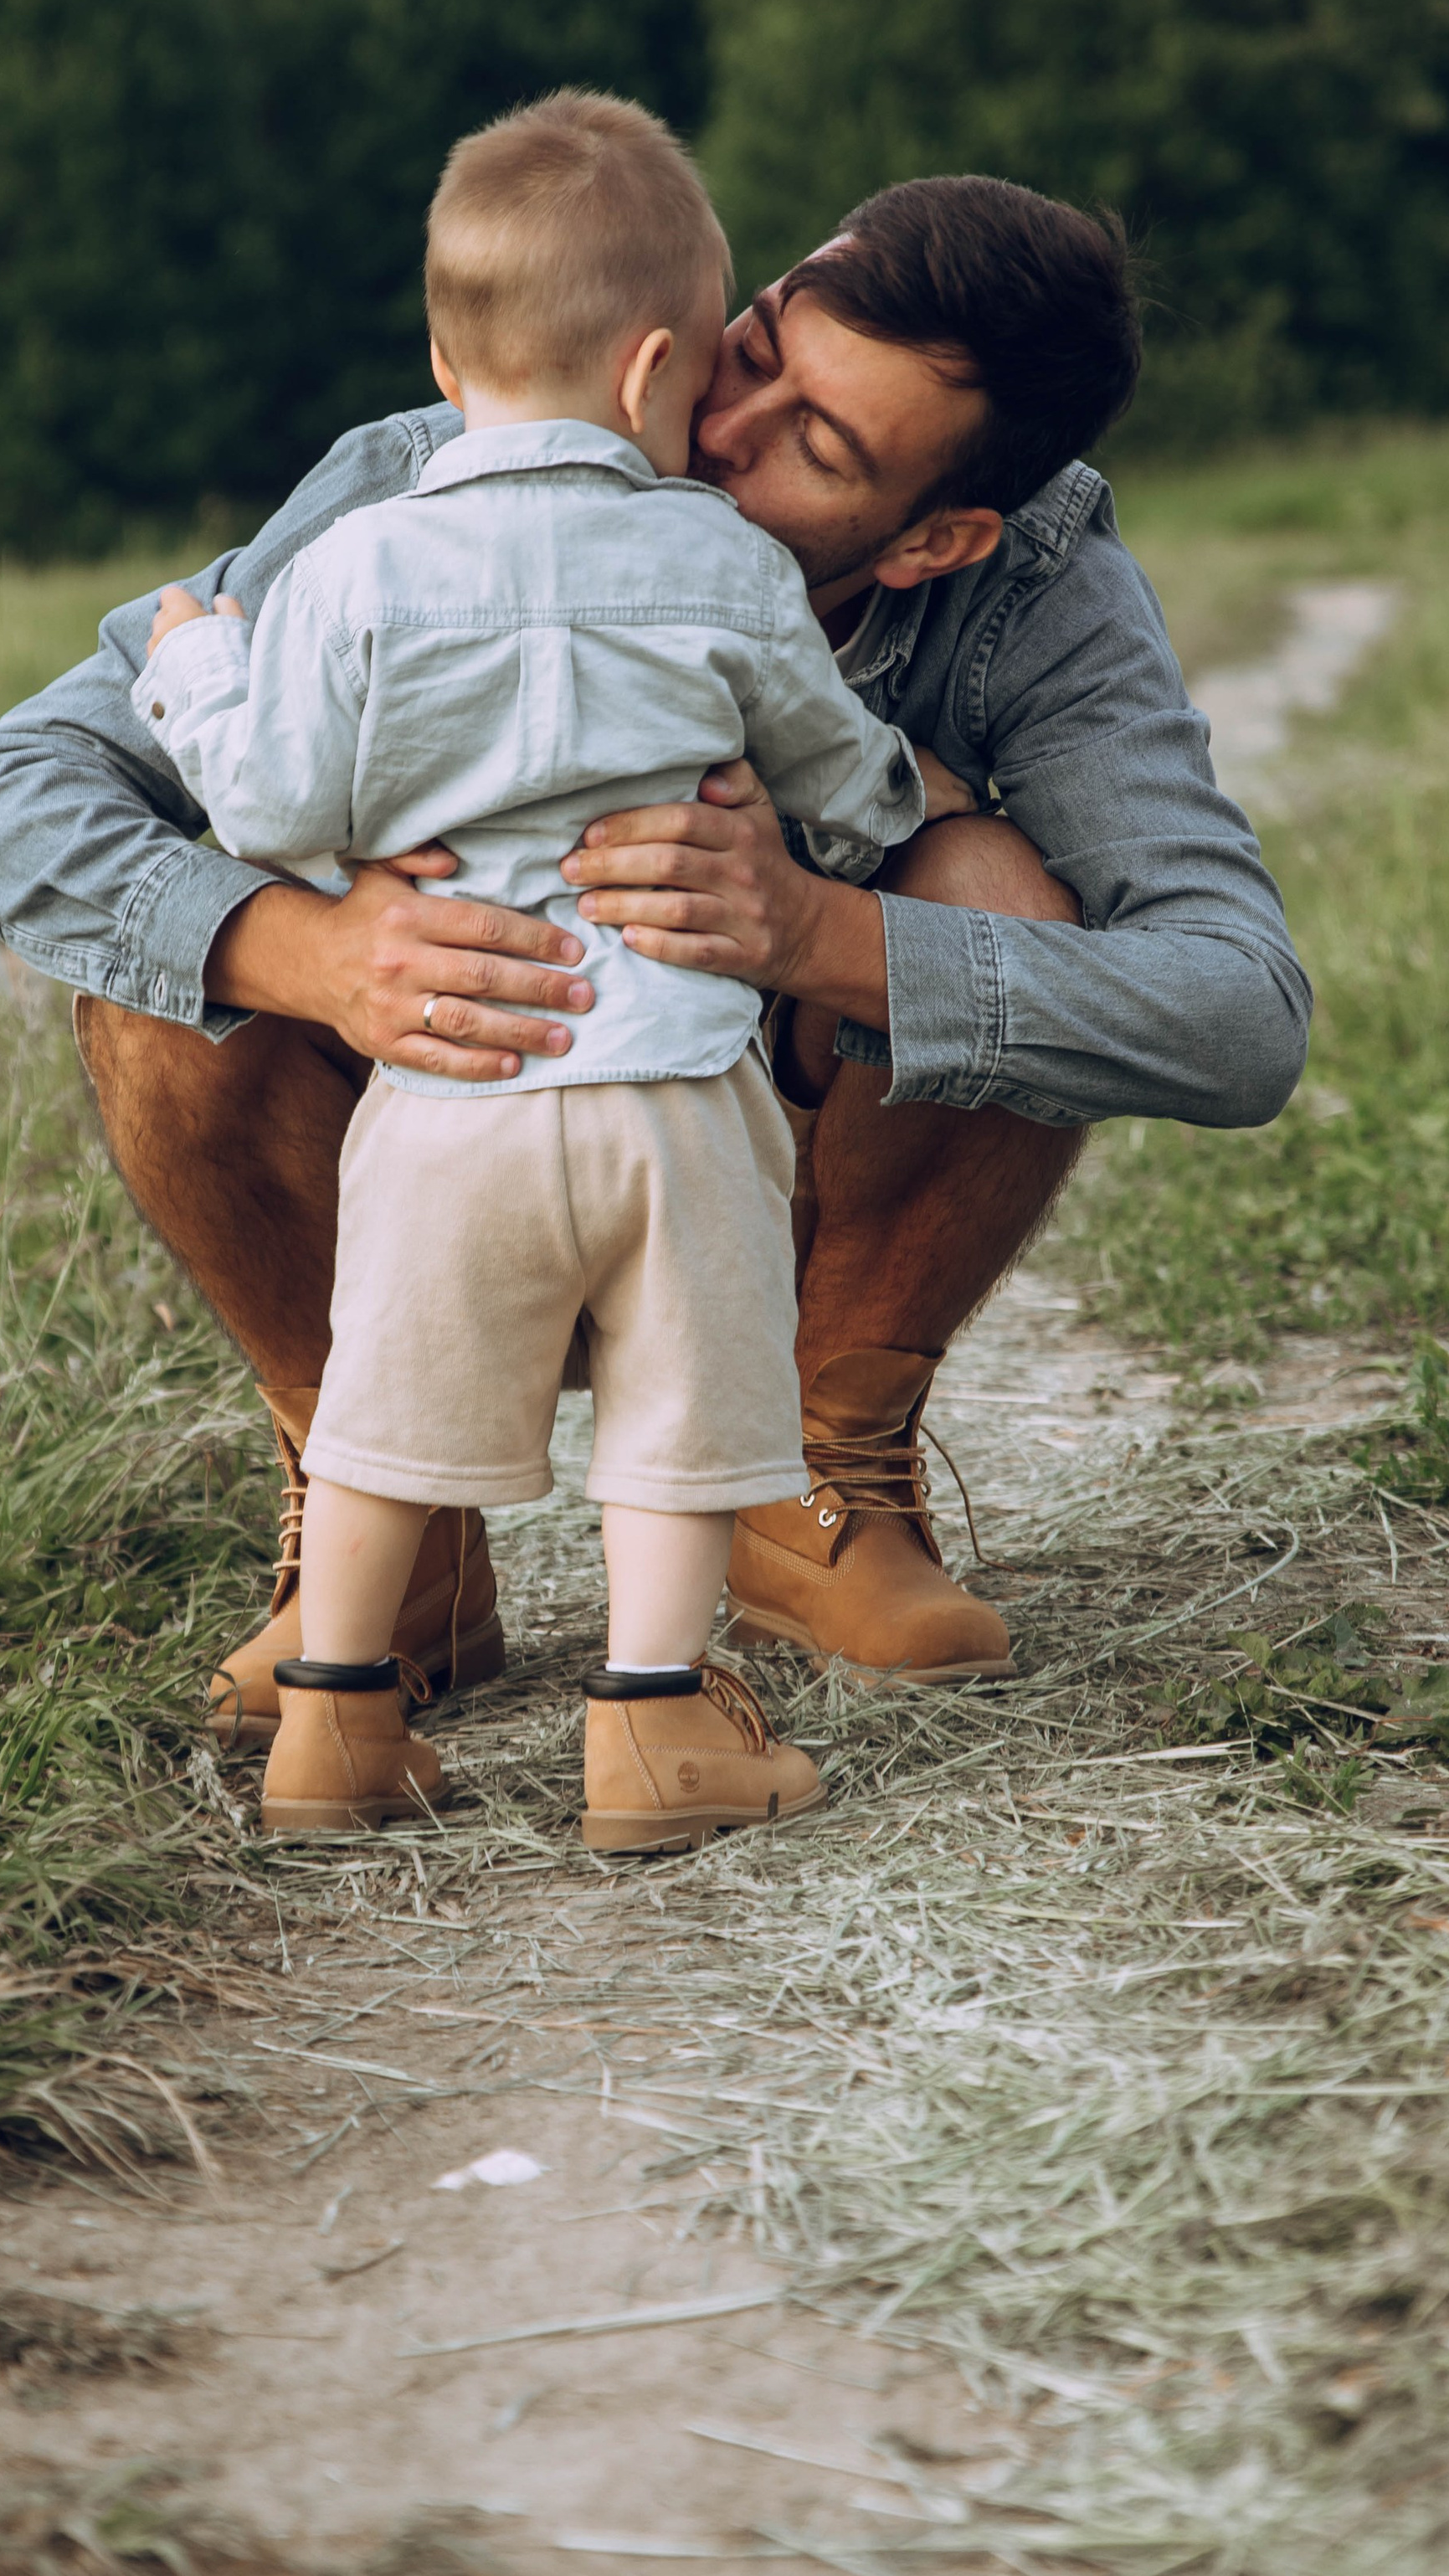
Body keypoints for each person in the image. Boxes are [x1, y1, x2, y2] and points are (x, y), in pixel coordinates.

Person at [0, 161, 1310, 1741]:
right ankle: (384, 1520)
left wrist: (820, 927)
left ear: (940, 537)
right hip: (430, 1094)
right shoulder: (423, 479)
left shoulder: (1035, 583)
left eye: (817, 444)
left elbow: (1237, 1015)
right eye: (759, 344)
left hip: (748, 1134)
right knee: (176, 938)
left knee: (992, 881)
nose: (723, 427)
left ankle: (811, 1486)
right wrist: (313, 951)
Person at [133, 91, 938, 1847]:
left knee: (378, 1412)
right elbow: (830, 775)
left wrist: (198, 668)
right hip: (673, 1089)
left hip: (450, 1091)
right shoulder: (724, 561)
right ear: (664, 371)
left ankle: (335, 1728)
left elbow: (267, 796)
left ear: (440, 353)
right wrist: (890, 789)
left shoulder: (352, 568)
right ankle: (652, 1730)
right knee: (677, 1413)